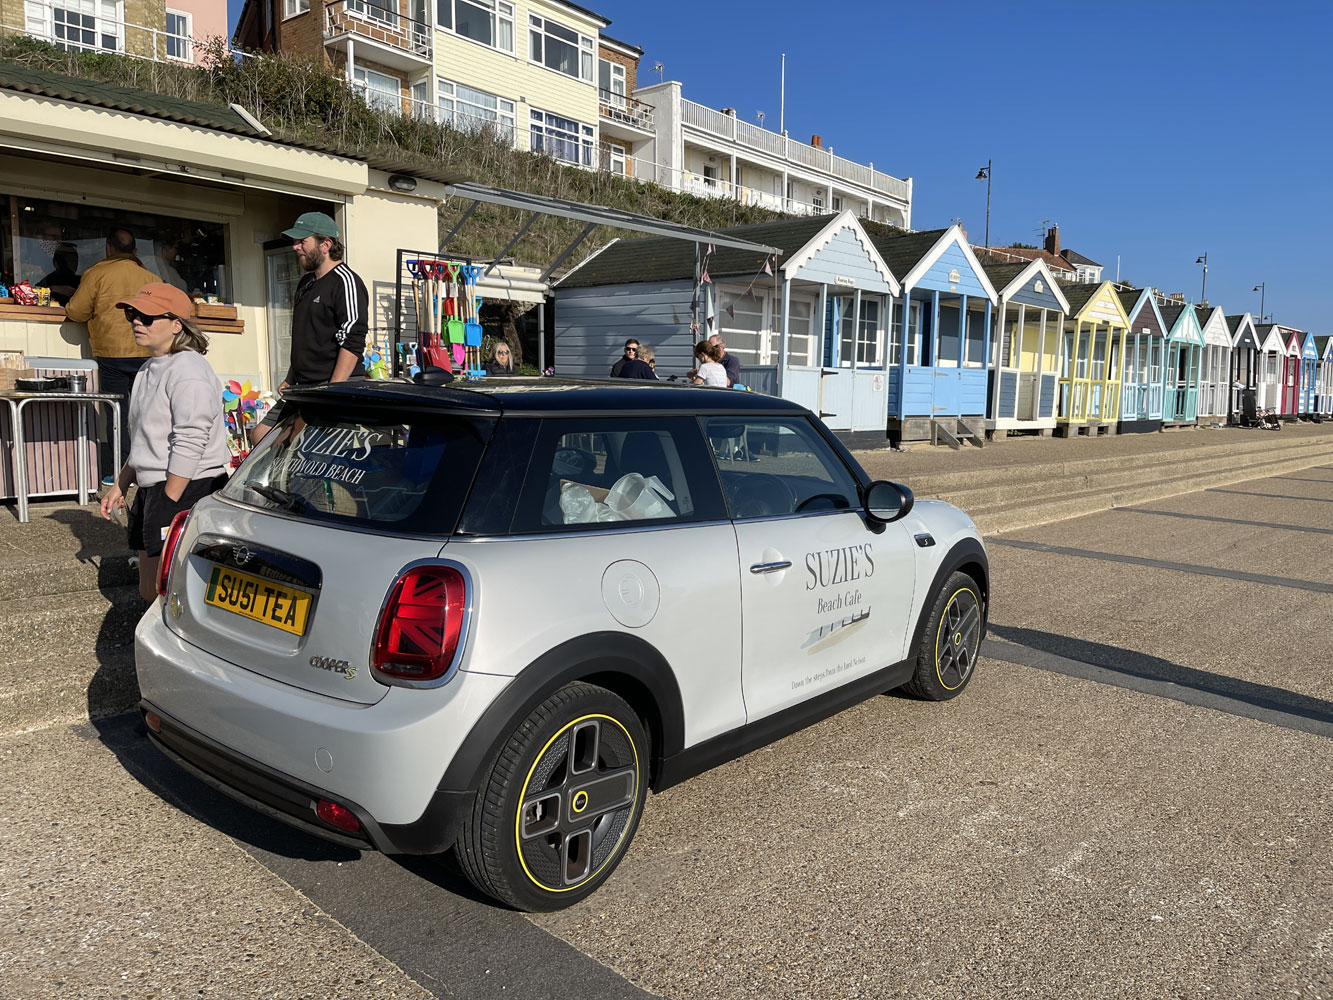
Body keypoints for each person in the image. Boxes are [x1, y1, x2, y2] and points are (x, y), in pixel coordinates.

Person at [98, 284, 230, 602]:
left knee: (172, 590)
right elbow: (145, 438)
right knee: (150, 588)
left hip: (189, 486)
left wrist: (170, 500)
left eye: (147, 316)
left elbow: (191, 439)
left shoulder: (189, 370)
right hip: (155, 487)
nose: (136, 321)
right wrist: (121, 484)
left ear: (176, 324)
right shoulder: (148, 369)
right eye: (133, 314)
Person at [251, 212, 368, 445]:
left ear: (326, 245)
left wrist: (333, 390)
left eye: (302, 241)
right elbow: (305, 338)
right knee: (260, 437)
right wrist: (290, 378)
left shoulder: (346, 282)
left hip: (334, 387)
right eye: (295, 242)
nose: (296, 247)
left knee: (308, 449)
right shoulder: (306, 283)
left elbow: (353, 340)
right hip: (303, 387)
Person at [64, 227, 159, 484]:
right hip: (147, 352)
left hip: (111, 353)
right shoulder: (152, 278)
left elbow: (76, 312)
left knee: (117, 411)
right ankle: (149, 468)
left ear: (108, 248)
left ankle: (120, 470)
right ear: (135, 251)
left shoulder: (96, 273)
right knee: (147, 411)